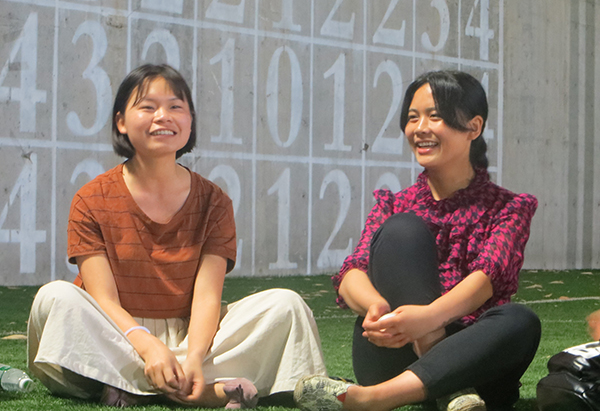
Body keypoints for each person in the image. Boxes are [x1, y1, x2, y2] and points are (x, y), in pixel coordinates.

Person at [28, 64, 327, 408]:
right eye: (147, 106)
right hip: (115, 333)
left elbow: (207, 298)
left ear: (190, 122)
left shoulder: (214, 201)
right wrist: (148, 346)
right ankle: (204, 392)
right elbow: (104, 300)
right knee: (55, 299)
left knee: (286, 305)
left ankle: (133, 385)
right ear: (121, 122)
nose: (163, 116)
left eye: (175, 106)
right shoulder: (91, 199)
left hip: (191, 336)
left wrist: (195, 356)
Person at [294, 70, 541, 411]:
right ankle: (451, 390)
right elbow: (352, 272)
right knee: (402, 230)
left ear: (473, 127)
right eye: (413, 118)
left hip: (473, 356)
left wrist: (428, 320)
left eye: (435, 116)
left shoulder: (509, 207)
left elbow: (486, 280)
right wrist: (376, 308)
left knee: (520, 321)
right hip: (396, 344)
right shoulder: (394, 205)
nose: (420, 128)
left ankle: (373, 399)